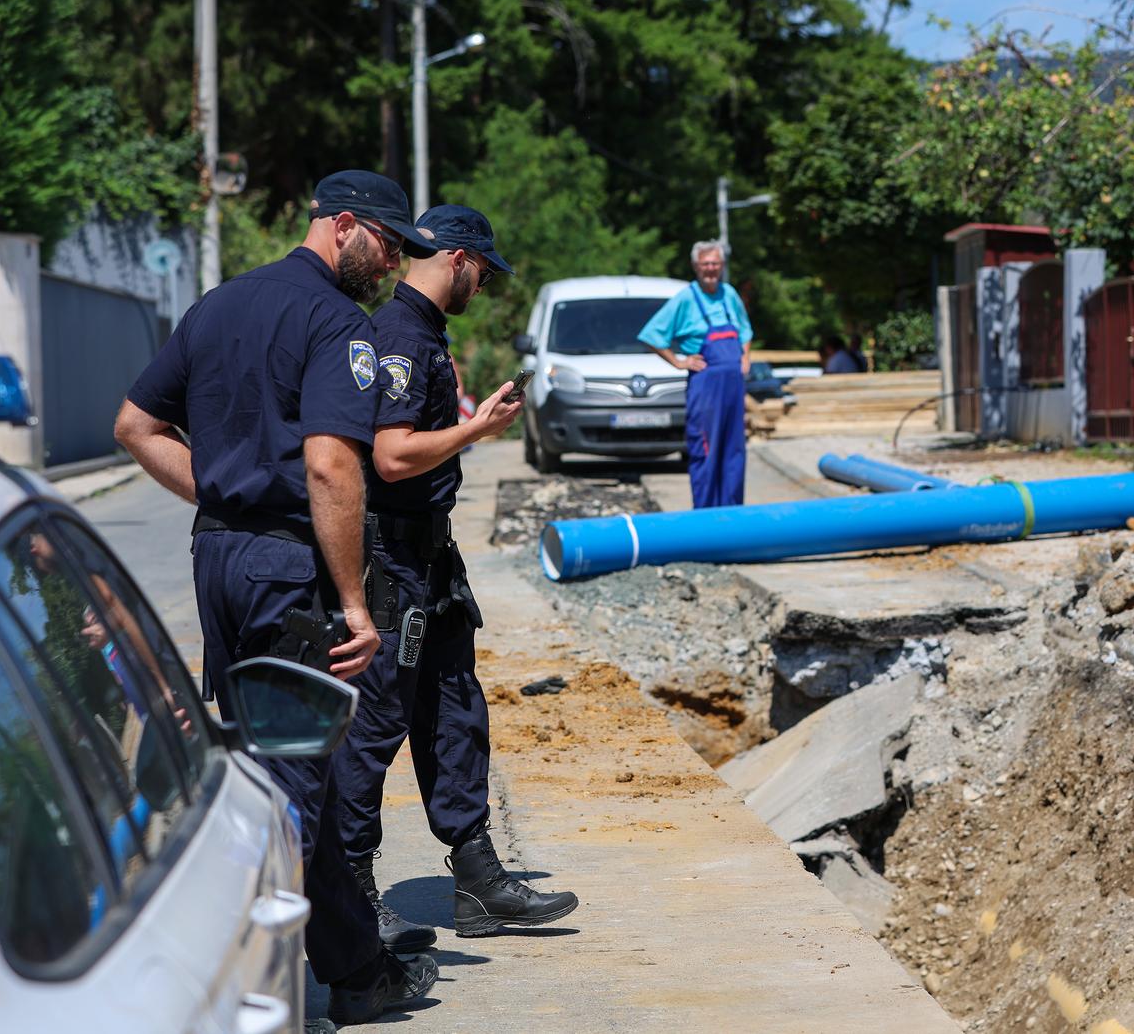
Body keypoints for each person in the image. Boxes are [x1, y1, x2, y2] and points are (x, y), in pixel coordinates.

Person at [113, 170, 440, 1027]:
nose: (395, 259)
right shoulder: (337, 321)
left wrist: (225, 496)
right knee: (287, 790)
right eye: (388, 241)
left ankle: (355, 966)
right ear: (342, 225)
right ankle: (244, 997)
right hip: (288, 576)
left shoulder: (219, 304)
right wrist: (356, 604)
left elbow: (135, 425)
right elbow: (334, 463)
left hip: (219, 561)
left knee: (285, 770)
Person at [333, 204, 580, 944]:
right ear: (462, 261)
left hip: (430, 560)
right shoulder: (402, 335)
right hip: (393, 560)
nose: (484, 288)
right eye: (484, 273)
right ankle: (352, 896)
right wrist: (479, 428)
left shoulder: (423, 333)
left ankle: (478, 882)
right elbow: (391, 454)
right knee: (375, 726)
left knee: (453, 712)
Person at [638, 239, 753, 508]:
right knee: (706, 447)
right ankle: (705, 514)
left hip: (734, 385)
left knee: (734, 448)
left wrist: (745, 356)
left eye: (715, 263)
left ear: (722, 265)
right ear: (695, 266)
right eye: (705, 264)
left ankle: (732, 511)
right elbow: (652, 335)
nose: (711, 269)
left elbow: (745, 330)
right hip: (706, 384)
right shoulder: (686, 298)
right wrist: (678, 362)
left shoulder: (729, 294)